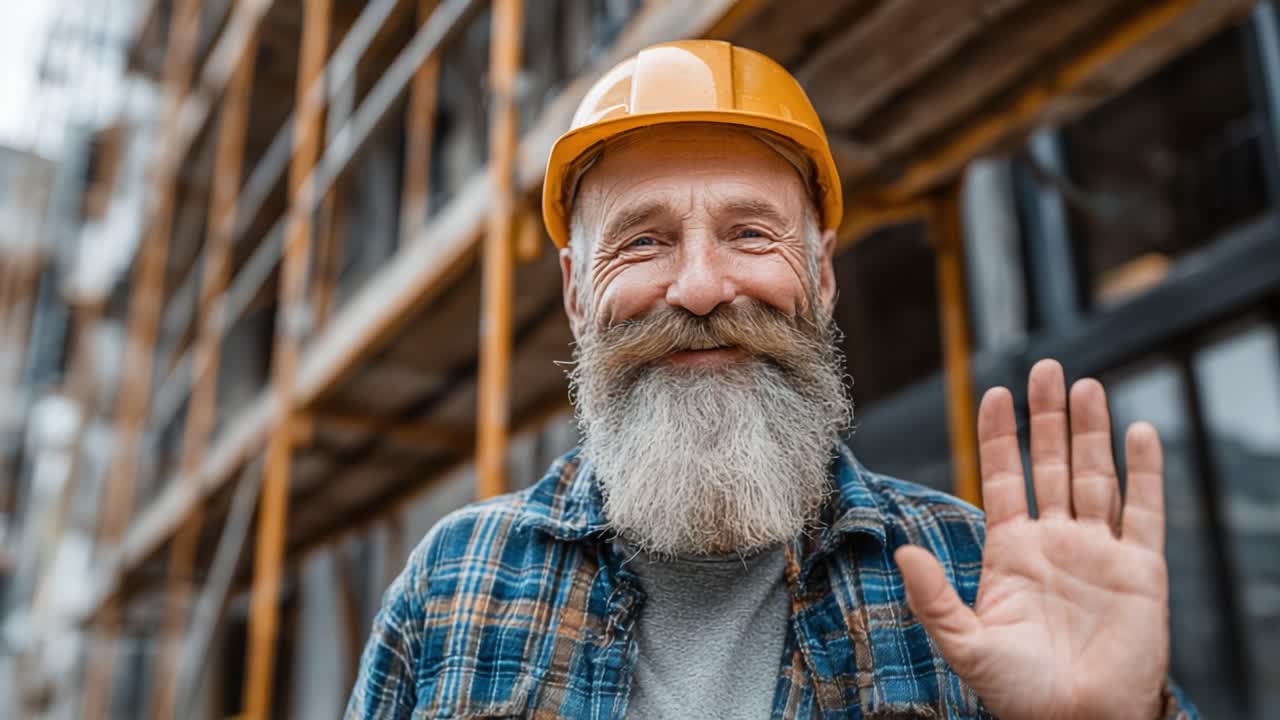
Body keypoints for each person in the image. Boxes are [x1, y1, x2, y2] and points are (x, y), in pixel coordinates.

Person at [345, 40, 1195, 719]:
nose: (703, 286)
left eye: (751, 233)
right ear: (575, 292)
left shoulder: (975, 573)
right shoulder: (453, 581)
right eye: (642, 241)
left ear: (822, 277)